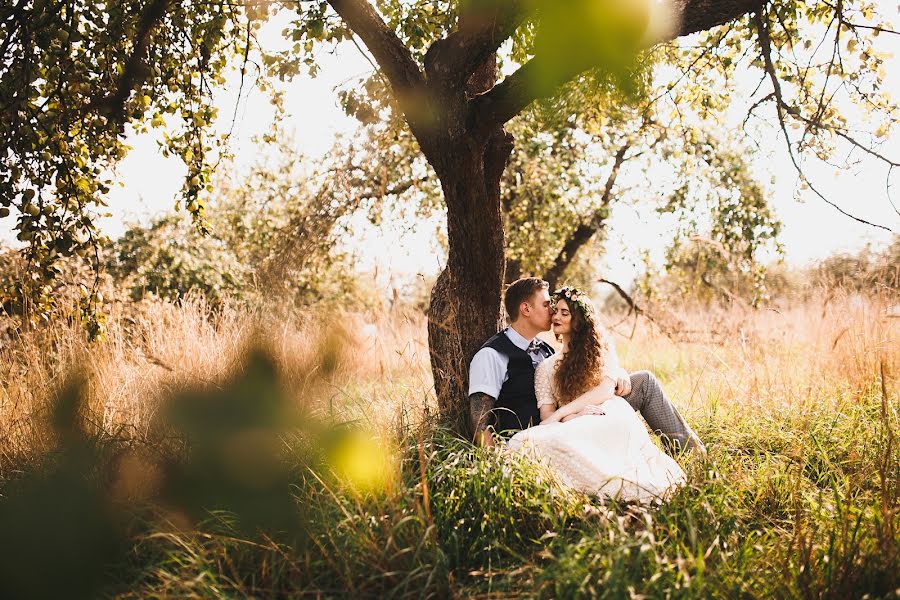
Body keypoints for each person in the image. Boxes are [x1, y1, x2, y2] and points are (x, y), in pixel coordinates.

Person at [468, 278, 705, 454]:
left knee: (644, 382)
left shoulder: (545, 349)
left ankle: (691, 453)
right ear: (526, 309)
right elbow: (479, 420)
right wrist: (495, 465)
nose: (553, 312)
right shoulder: (492, 355)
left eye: (560, 310)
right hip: (539, 436)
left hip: (574, 418)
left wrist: (616, 374)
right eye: (547, 305)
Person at [505, 285, 686, 501]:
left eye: (565, 313)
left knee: (638, 388)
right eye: (556, 312)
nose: (557, 317)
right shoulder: (546, 366)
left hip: (606, 413)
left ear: (578, 320)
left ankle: (690, 453)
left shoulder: (600, 350)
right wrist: (572, 416)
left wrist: (563, 413)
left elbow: (606, 389)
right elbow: (547, 415)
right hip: (575, 423)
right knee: (522, 442)